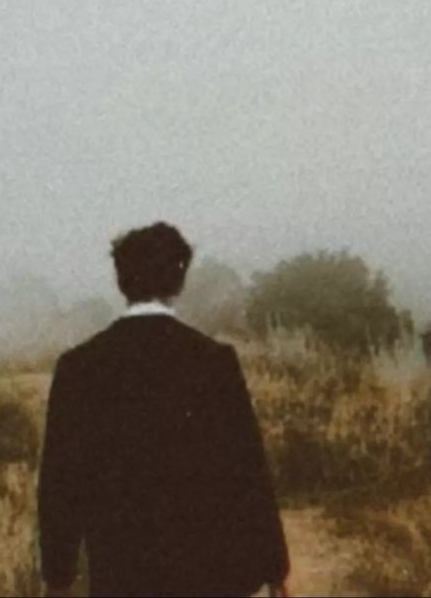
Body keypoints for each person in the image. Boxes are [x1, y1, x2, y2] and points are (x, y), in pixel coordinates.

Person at [37, 222, 291, 598]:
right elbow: (248, 470)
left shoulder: (79, 366)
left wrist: (58, 577)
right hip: (209, 574)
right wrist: (274, 569)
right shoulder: (215, 361)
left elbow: (61, 481)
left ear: (122, 281)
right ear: (179, 280)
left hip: (121, 574)